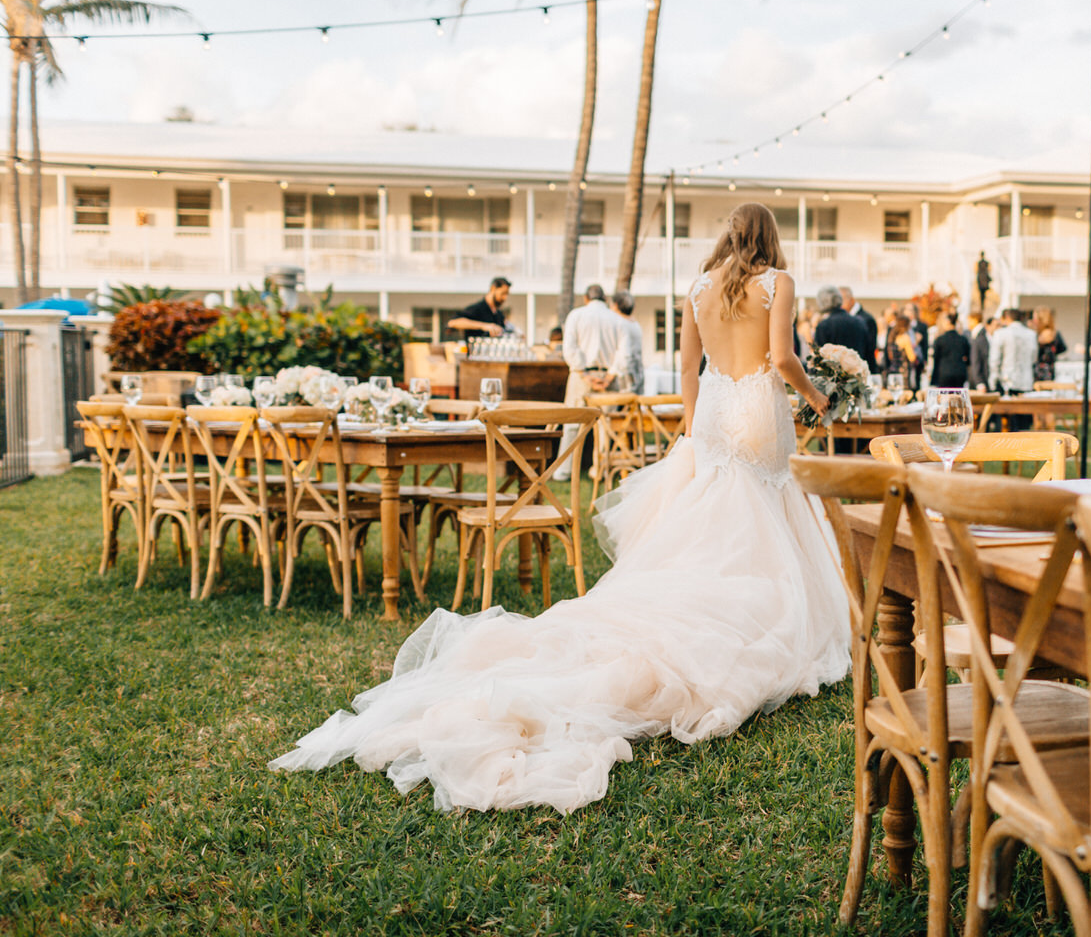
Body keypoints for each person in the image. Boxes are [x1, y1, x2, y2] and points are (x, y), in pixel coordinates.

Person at [270, 202, 841, 814]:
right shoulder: (777, 283)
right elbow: (781, 360)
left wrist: (693, 430)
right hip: (757, 406)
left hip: (713, 413)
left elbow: (687, 373)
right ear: (771, 238)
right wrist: (820, 397)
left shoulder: (700, 288)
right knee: (764, 505)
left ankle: (713, 600)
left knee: (707, 518)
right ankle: (757, 610)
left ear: (729, 235)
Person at [556, 284, 625, 482]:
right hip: (607, 379)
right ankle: (600, 470)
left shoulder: (576, 315)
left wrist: (585, 375)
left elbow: (570, 348)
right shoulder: (617, 319)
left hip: (581, 376)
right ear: (604, 298)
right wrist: (610, 376)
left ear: (586, 298)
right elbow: (623, 352)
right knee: (606, 426)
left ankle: (564, 471)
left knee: (572, 423)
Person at [990, 308, 1038, 430]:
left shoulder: (1001, 333)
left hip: (1006, 381)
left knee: (1005, 422)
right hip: (1026, 382)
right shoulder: (1031, 334)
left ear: (1007, 318)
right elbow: (1034, 358)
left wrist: (993, 380)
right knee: (1023, 423)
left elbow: (994, 359)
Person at [814, 285, 875, 362]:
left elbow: (821, 358)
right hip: (857, 370)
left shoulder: (824, 326)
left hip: (834, 372)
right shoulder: (860, 322)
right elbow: (869, 353)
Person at [601, 291, 644, 395]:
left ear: (615, 305)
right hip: (638, 375)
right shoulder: (635, 324)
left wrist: (609, 376)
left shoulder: (620, 324)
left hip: (624, 378)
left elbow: (624, 354)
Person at [449, 277, 512, 344]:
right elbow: (453, 323)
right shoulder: (477, 309)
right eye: (503, 293)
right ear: (493, 288)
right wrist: (484, 326)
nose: (505, 298)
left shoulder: (499, 314)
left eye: (507, 294)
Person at [928, 312, 971, 388]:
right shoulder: (962, 339)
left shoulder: (940, 340)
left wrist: (933, 380)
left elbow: (936, 359)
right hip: (960, 373)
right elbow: (968, 358)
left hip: (944, 373)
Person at [1030, 306, 1066, 383]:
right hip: (1050, 370)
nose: (1033, 320)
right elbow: (1063, 348)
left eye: (1035, 318)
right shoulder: (1055, 334)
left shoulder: (1036, 335)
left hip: (1038, 371)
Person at [968, 314, 992, 391]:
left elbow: (976, 359)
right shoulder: (977, 333)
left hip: (982, 378)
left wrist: (979, 381)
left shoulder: (979, 335)